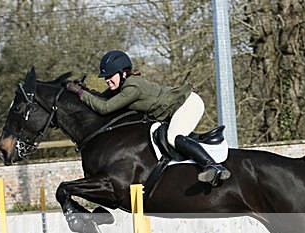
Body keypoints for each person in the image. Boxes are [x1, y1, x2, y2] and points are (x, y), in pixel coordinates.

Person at [66, 50, 230, 185]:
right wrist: (84, 90)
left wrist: (80, 93)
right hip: (176, 109)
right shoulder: (122, 86)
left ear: (123, 73)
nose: (107, 80)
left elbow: (104, 108)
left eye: (110, 76)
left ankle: (213, 166)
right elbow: (101, 100)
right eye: (105, 77)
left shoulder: (132, 87)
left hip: (188, 104)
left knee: (173, 137)